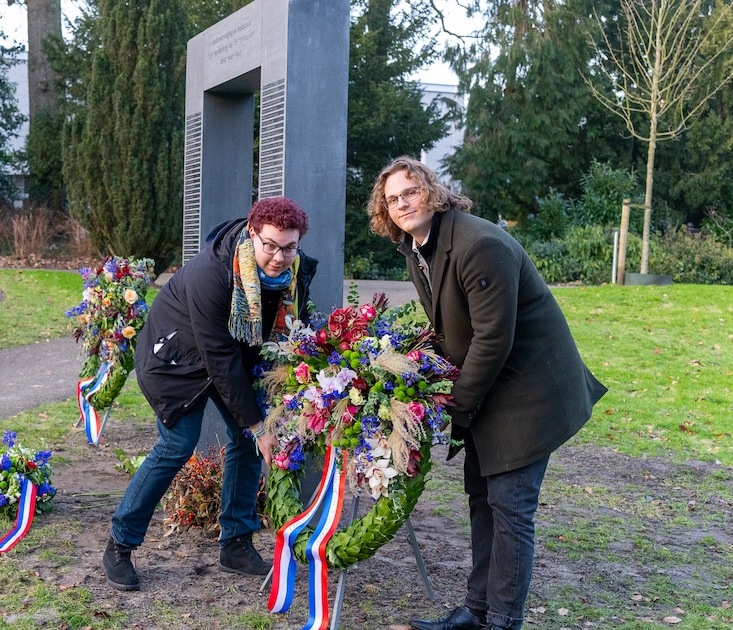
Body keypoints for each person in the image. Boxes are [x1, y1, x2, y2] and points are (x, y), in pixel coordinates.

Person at [365, 157, 606, 630]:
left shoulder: (480, 245)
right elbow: (447, 328)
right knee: (481, 497)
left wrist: (453, 411)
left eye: (409, 192)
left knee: (511, 509)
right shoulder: (418, 247)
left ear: (431, 191)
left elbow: (493, 339)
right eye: (392, 199)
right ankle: (477, 613)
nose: (402, 204)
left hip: (529, 392)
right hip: (487, 387)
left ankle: (502, 623)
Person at [102, 197, 317, 591]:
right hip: (172, 361)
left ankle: (235, 544)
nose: (279, 256)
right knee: (178, 444)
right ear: (253, 234)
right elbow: (219, 358)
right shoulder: (212, 274)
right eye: (270, 245)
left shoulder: (293, 271)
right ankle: (120, 544)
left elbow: (283, 330)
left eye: (289, 247)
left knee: (249, 441)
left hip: (231, 356)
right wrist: (256, 423)